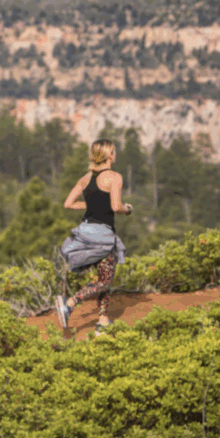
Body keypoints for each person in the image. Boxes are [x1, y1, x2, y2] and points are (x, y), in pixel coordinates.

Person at [57, 139, 131, 335]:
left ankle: (103, 320)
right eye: (113, 151)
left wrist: (93, 205)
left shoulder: (85, 178)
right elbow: (116, 207)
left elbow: (68, 204)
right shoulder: (114, 177)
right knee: (105, 281)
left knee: (104, 275)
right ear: (109, 155)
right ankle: (69, 303)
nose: (115, 155)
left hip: (86, 230)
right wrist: (128, 209)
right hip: (103, 233)